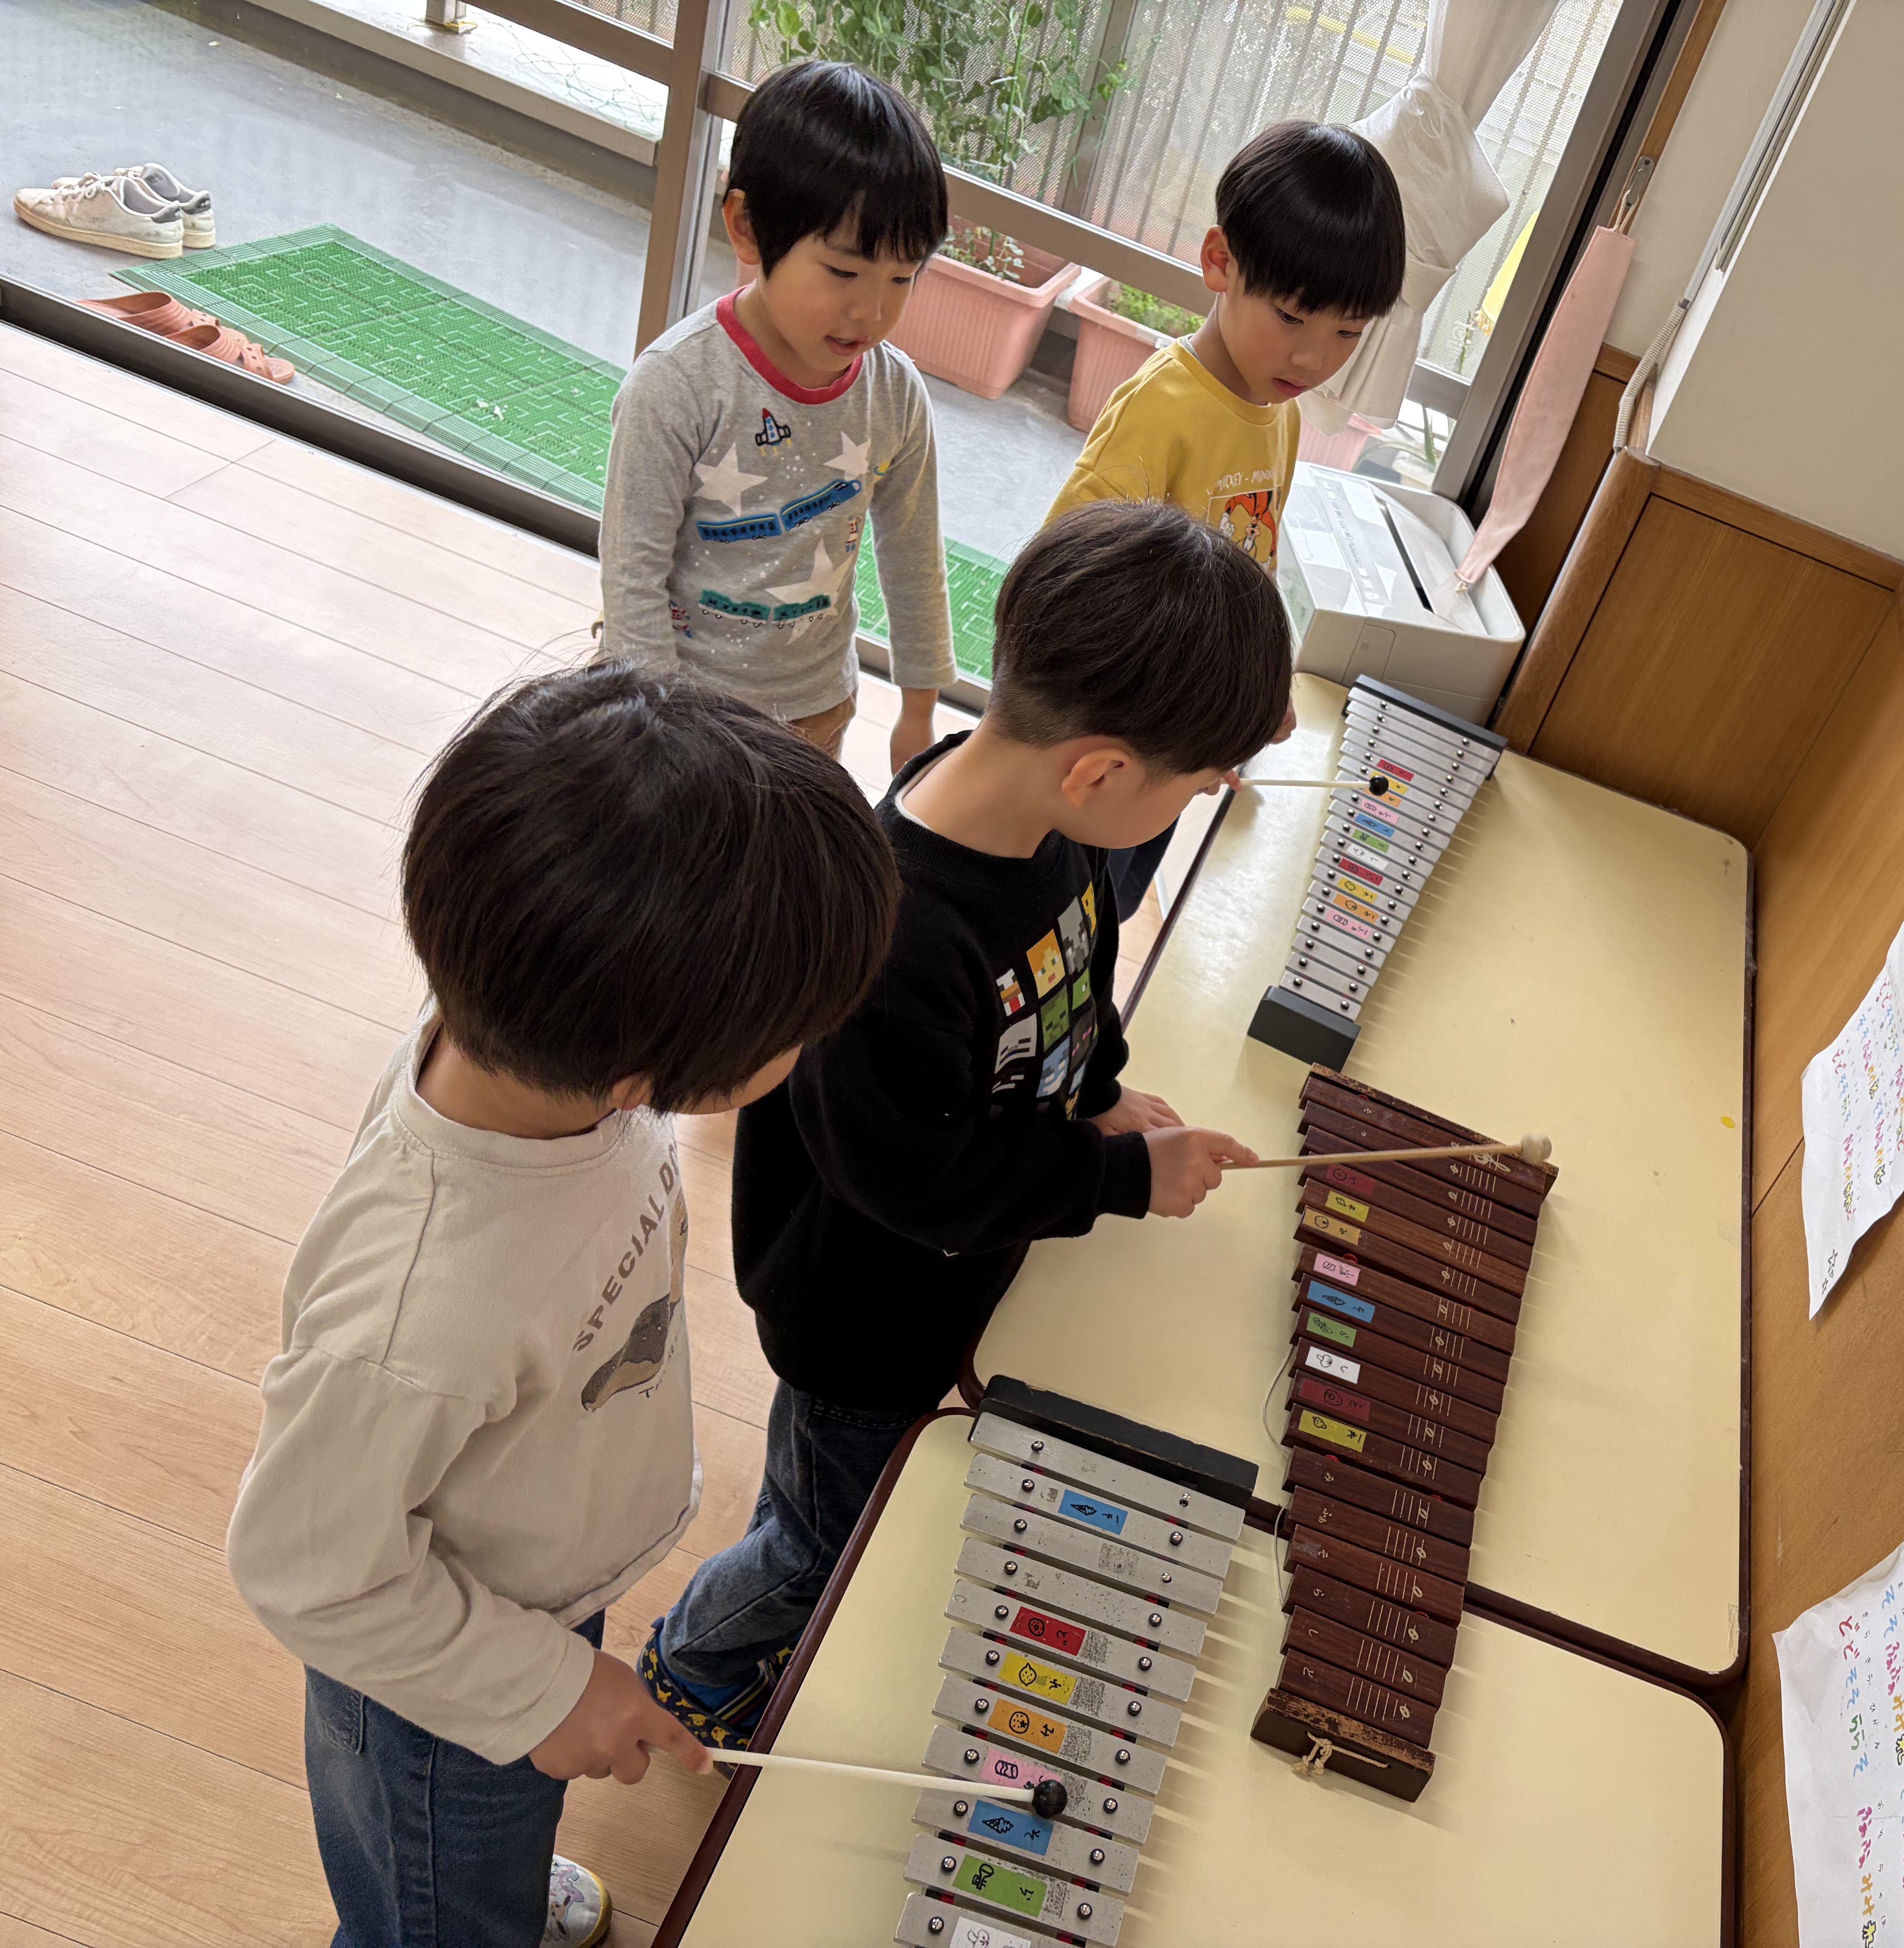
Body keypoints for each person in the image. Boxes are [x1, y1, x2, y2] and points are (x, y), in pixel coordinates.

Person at [227, 665, 901, 1946]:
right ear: (641, 1074)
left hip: (531, 1570)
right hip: (428, 1672)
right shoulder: (421, 1309)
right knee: (437, 1897)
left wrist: (555, 1680)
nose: (813, 1046)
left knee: (501, 1824)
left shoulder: (548, 1039)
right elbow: (307, 1566)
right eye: (796, 1032)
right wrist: (538, 1689)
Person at [639, 501, 1283, 1743]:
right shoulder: (895, 937)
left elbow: (1078, 974)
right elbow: (918, 1184)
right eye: (1193, 789)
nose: (1192, 806)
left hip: (951, 1267)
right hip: (865, 1313)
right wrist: (1118, 1181)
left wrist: (1098, 1093)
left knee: (832, 1501)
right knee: (826, 1534)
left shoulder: (1047, 820)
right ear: (1102, 771)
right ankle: (692, 1669)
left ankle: (754, 1619)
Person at [1045, 120, 1405, 919]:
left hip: (1173, 754)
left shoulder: (1280, 416)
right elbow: (1061, 581)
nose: (1314, 358)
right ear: (1220, 262)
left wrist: (1251, 688)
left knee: (1111, 916)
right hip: (1105, 749)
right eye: (1292, 317)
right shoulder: (1163, 408)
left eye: (1348, 333)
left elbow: (1253, 568)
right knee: (1055, 919)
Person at [599, 59, 955, 771]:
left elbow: (914, 555)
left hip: (816, 710)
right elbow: (631, 579)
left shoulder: (894, 394)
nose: (872, 310)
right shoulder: (677, 385)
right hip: (681, 716)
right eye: (843, 272)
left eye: (902, 278)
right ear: (748, 228)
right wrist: (654, 730)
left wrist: (919, 711)